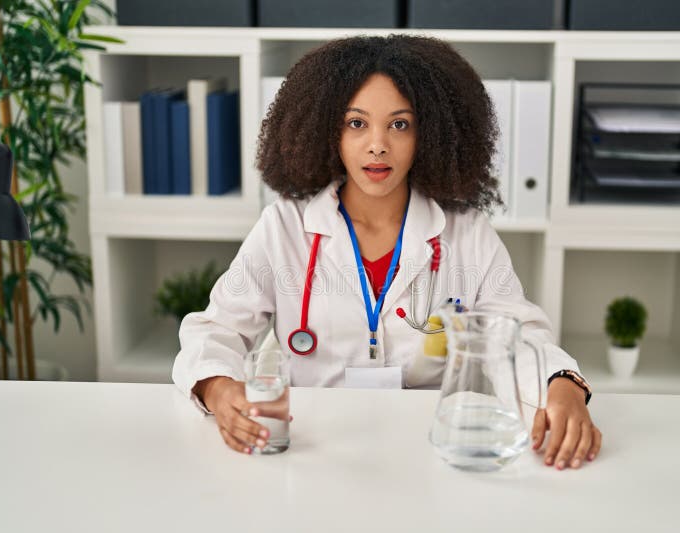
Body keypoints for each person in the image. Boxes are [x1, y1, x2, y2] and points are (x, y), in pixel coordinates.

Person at [173, 35, 602, 470]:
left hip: (430, 449)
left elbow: (519, 334)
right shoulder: (285, 227)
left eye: (399, 124)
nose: (377, 144)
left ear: (430, 133)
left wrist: (561, 385)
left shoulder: (466, 232)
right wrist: (219, 388)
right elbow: (216, 329)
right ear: (327, 130)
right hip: (314, 448)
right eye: (356, 123)